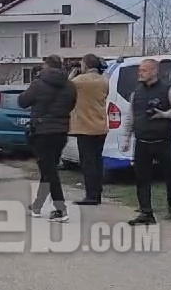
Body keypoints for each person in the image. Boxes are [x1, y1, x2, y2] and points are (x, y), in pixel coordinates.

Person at [120, 58, 171, 225]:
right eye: (140, 70)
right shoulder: (136, 93)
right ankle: (146, 212)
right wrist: (126, 138)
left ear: (154, 71)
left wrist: (165, 114)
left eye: (144, 70)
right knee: (141, 179)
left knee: (170, 176)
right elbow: (131, 117)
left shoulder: (169, 89)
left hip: (162, 141)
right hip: (142, 142)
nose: (140, 73)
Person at [18, 54, 77, 221]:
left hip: (42, 132)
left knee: (49, 171)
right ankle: (37, 206)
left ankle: (61, 209)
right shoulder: (70, 85)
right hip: (61, 132)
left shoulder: (38, 83)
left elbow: (22, 102)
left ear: (47, 66)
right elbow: (71, 105)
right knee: (48, 170)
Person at [69, 53, 108, 205]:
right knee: (97, 161)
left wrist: (73, 73)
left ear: (85, 65)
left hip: (85, 127)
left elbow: (66, 88)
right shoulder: (104, 80)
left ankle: (91, 195)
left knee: (88, 163)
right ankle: (98, 193)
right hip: (100, 125)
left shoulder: (79, 81)